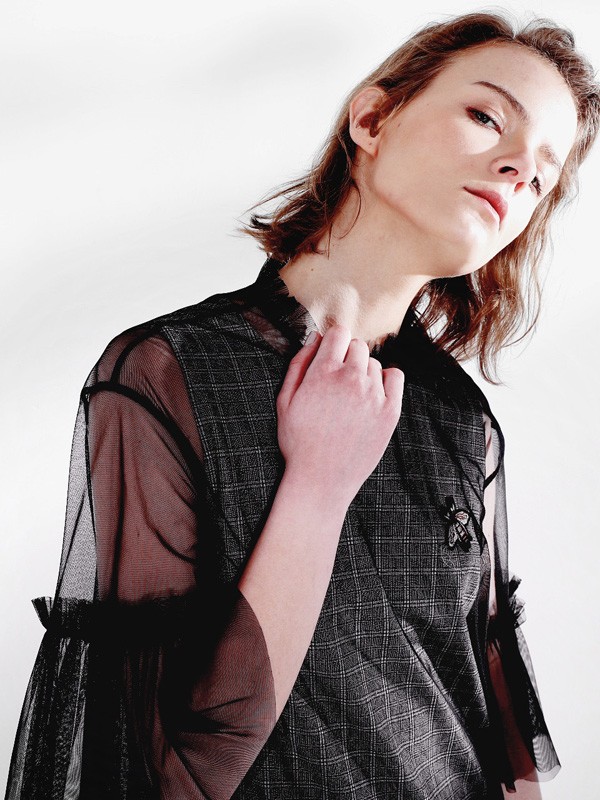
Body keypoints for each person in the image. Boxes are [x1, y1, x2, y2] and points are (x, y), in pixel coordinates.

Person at [5, 10, 599, 800]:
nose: (519, 170)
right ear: (372, 119)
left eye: (544, 176)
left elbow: (499, 737)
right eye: (487, 116)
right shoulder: (169, 373)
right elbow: (178, 770)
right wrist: (316, 487)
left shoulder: (463, 422)